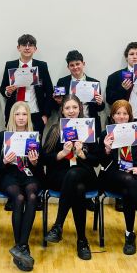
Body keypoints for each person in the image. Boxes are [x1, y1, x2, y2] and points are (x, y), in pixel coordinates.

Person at [99, 100, 137, 255]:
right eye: (118, 113)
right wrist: (107, 149)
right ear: (112, 116)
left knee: (128, 190)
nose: (121, 116)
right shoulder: (105, 134)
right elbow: (102, 163)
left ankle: (129, 235)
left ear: (130, 116)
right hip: (114, 175)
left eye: (125, 113)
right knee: (127, 181)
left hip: (136, 175)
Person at [42, 94, 99, 260]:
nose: (71, 111)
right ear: (62, 110)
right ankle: (82, 240)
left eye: (74, 107)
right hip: (59, 176)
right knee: (77, 188)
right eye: (67, 108)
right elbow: (44, 159)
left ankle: (58, 225)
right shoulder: (55, 129)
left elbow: (96, 161)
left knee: (75, 175)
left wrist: (82, 154)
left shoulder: (88, 128)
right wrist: (62, 153)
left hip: (85, 173)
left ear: (80, 108)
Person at [0, 101, 43, 272]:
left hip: (29, 173)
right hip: (8, 174)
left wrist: (35, 162)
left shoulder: (34, 136)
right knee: (19, 198)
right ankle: (21, 246)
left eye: (24, 114)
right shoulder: (2, 136)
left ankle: (21, 245)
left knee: (32, 196)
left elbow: (41, 164)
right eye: (17, 114)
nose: (21, 118)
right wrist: (4, 161)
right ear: (12, 116)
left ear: (29, 117)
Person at [0, 34, 54, 141]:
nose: (27, 48)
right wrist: (8, 91)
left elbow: (49, 91)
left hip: (36, 114)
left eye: (30, 45)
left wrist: (45, 115)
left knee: (34, 146)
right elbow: (2, 89)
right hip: (15, 114)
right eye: (24, 45)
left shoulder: (41, 66)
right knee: (14, 143)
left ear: (35, 49)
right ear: (18, 48)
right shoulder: (10, 65)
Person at [54, 49, 105, 134]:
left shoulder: (94, 83)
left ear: (83, 64)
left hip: (89, 123)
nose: (75, 67)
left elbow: (100, 108)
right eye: (72, 65)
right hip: (69, 124)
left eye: (77, 64)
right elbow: (56, 107)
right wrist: (58, 102)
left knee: (90, 143)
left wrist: (100, 103)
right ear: (68, 67)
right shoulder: (62, 82)